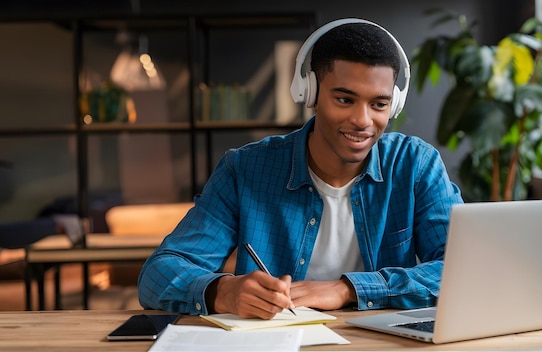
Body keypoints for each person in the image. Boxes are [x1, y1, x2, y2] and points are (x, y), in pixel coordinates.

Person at [138, 18, 463, 319]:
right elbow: (158, 274)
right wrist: (224, 292)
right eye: (345, 100)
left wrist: (347, 289)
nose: (363, 121)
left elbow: (463, 267)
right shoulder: (245, 169)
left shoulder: (415, 165)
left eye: (378, 104)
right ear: (310, 93)